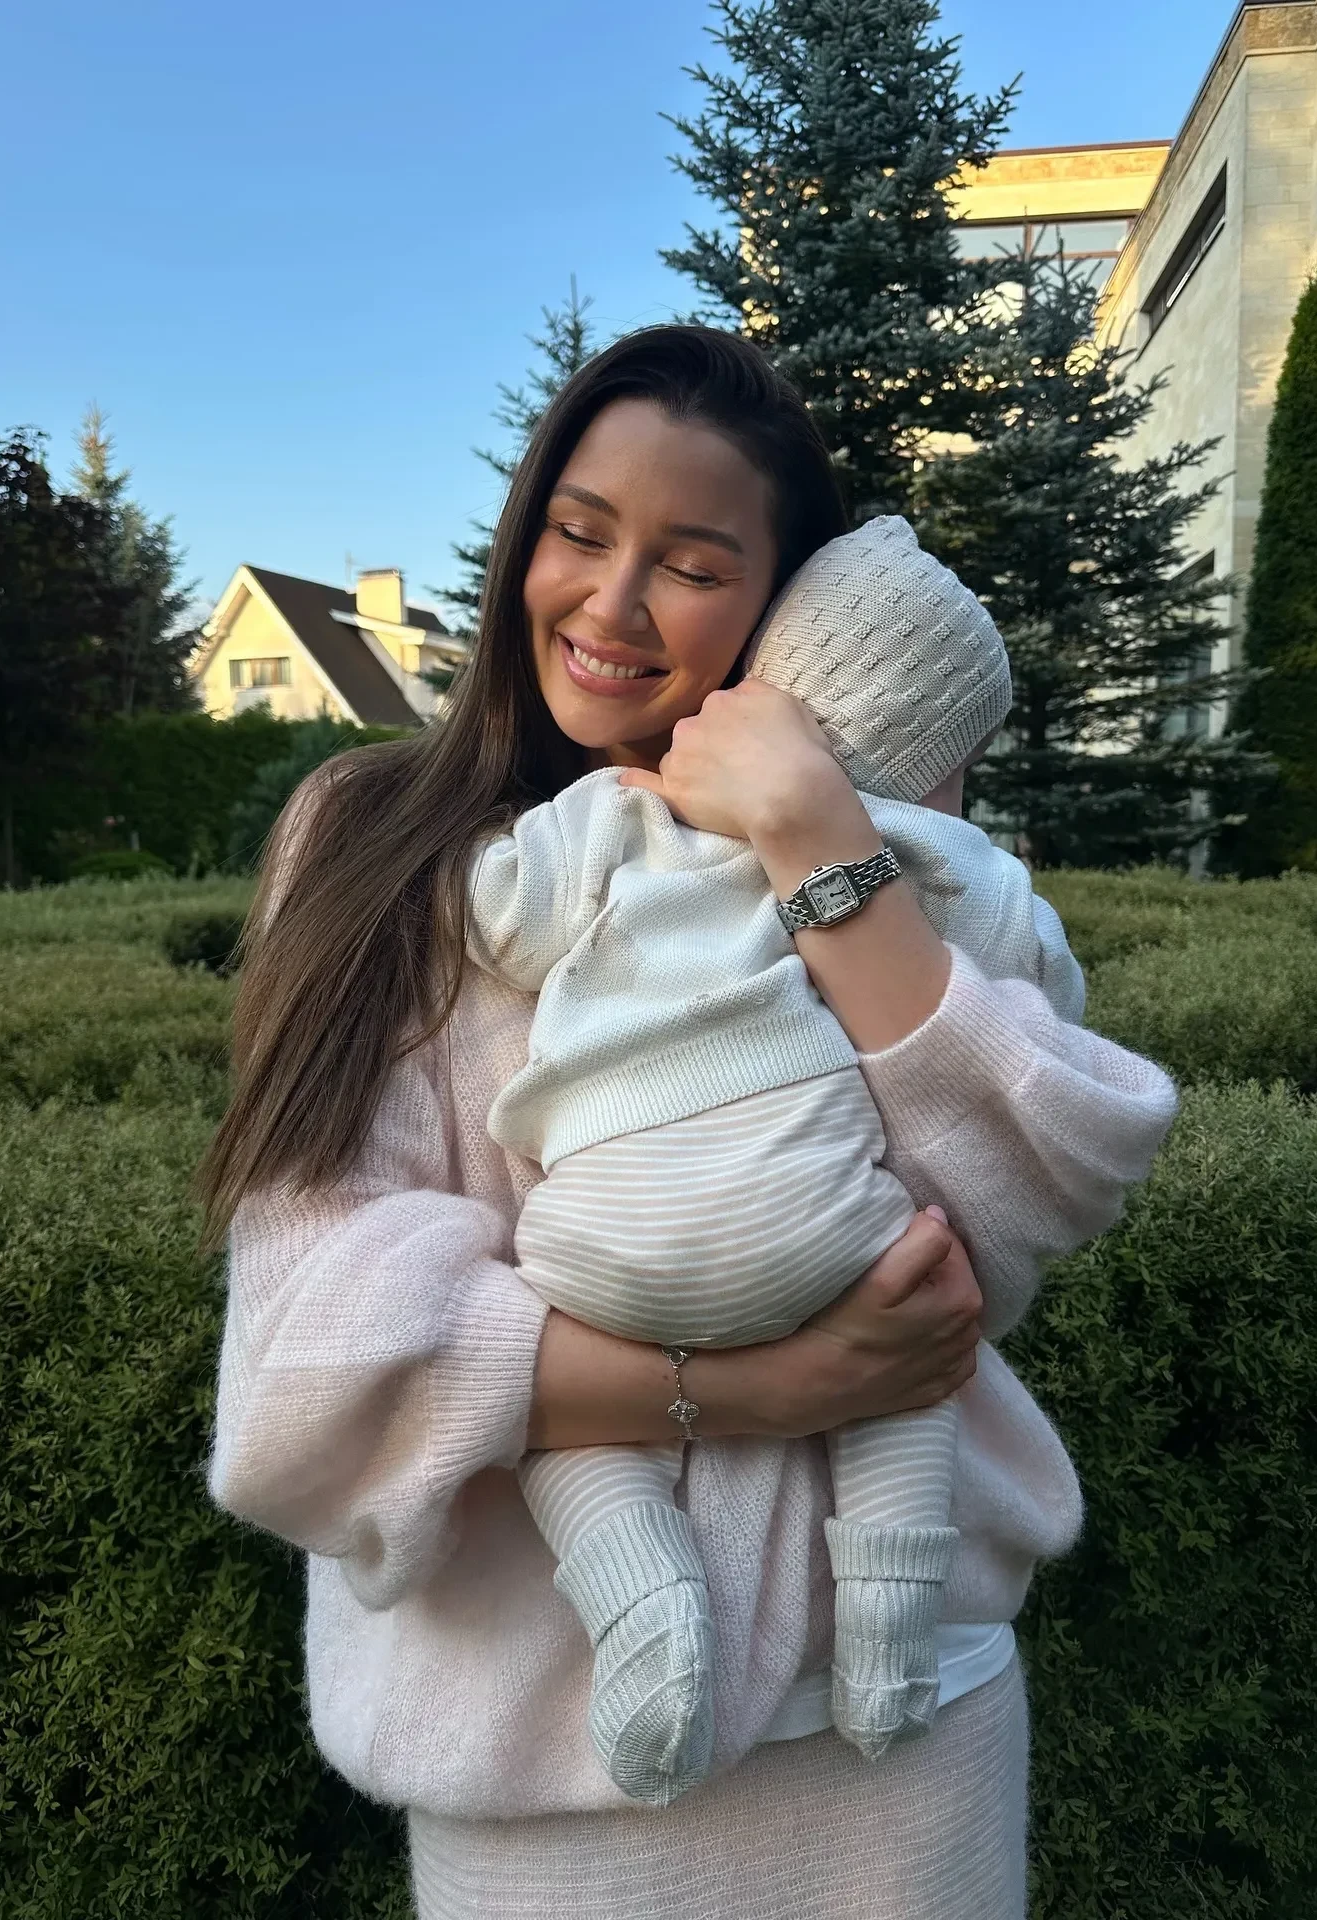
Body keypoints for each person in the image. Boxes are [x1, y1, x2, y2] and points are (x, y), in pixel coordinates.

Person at [201, 325, 1177, 1919]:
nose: (612, 603)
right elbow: (312, 1348)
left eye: (694, 563)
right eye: (580, 533)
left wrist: (814, 839)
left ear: (780, 605)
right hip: (547, 1769)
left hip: (904, 1732)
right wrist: (749, 1388)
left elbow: (1004, 1222)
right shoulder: (372, 842)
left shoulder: (886, 850)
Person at [464, 512, 1091, 1807]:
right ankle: (889, 1632)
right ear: (929, 756)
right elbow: (1041, 996)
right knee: (909, 1344)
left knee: (568, 1424)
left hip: (595, 1233)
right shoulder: (928, 852)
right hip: (811, 1220)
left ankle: (639, 1590)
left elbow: (502, 922)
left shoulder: (622, 809)